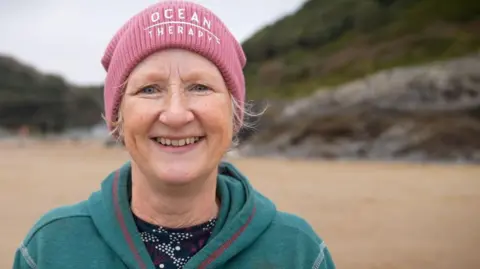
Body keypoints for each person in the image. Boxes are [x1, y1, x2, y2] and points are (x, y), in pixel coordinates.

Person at [12, 1, 335, 268]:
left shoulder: (299, 252)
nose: (176, 114)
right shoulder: (49, 248)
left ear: (234, 113)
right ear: (117, 117)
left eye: (200, 87)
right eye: (149, 89)